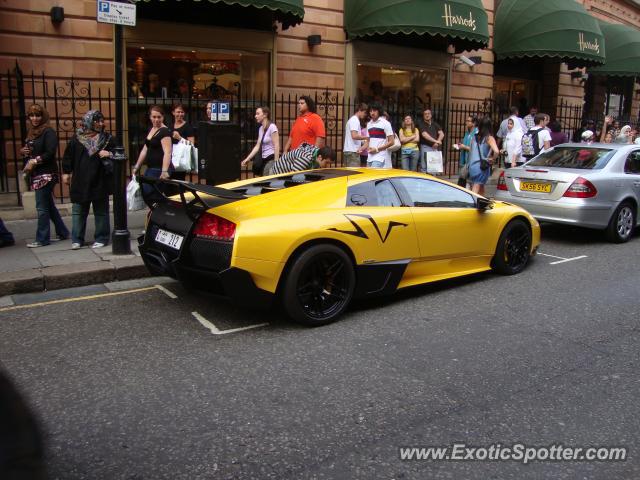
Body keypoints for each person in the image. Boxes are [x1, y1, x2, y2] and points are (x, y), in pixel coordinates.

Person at [62, 110, 115, 249]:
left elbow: (119, 154)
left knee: (101, 211)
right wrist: (66, 172)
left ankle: (102, 238)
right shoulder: (77, 138)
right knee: (78, 211)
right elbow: (68, 156)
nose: (101, 123)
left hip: (99, 178)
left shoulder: (107, 138)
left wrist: (109, 153)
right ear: (89, 122)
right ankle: (77, 239)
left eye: (102, 120)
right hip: (81, 179)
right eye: (97, 121)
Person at [20, 104, 69, 248]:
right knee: (49, 206)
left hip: (47, 174)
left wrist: (35, 160)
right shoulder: (32, 131)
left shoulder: (48, 132)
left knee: (42, 208)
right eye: (32, 115)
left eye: (38, 115)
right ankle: (62, 232)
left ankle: (42, 239)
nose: (35, 118)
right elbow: (31, 150)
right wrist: (25, 152)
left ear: (43, 116)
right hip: (36, 173)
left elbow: (50, 152)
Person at [132, 105, 172, 200]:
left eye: (159, 117)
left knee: (152, 195)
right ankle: (158, 212)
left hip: (159, 169)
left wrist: (164, 171)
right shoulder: (152, 129)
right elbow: (144, 150)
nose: (156, 119)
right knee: (148, 195)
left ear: (163, 117)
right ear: (150, 117)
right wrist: (137, 166)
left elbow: (168, 152)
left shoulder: (164, 131)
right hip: (151, 169)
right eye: (154, 117)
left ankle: (160, 212)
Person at [241, 106, 280, 177]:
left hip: (270, 158)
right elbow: (257, 146)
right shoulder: (260, 129)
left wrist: (276, 162)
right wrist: (248, 158)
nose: (255, 116)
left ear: (265, 115)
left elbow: (276, 145)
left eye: (258, 114)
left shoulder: (272, 127)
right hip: (263, 159)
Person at [468, 117, 499, 196]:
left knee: (481, 187)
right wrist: (493, 159)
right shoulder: (489, 138)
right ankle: (472, 204)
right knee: (477, 186)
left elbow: (470, 151)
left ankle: (481, 203)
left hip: (472, 165)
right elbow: (496, 151)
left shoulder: (474, 137)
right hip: (481, 166)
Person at [361, 103, 394, 168]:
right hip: (370, 157)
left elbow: (392, 141)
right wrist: (361, 148)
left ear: (379, 111)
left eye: (374, 110)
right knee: (370, 177)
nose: (372, 113)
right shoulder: (369, 124)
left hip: (380, 157)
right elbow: (368, 141)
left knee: (373, 177)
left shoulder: (385, 123)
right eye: (370, 111)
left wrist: (376, 149)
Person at [270, 143, 335, 175]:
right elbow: (294, 177)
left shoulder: (317, 153)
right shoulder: (305, 158)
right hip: (277, 174)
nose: (328, 166)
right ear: (320, 157)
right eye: (327, 163)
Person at [170, 103, 195, 182]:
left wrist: (179, 138)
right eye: (178, 112)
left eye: (182, 112)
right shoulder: (170, 126)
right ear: (173, 113)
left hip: (181, 160)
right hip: (170, 159)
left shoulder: (188, 127)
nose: (180, 114)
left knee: (178, 183)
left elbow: (191, 144)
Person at [417, 108, 444, 174]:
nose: (427, 115)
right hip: (425, 147)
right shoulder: (421, 124)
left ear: (431, 115)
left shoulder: (435, 124)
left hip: (434, 147)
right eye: (425, 114)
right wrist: (436, 141)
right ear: (423, 116)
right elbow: (425, 135)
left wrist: (437, 142)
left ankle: (433, 182)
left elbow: (442, 134)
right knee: (424, 167)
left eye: (428, 113)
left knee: (434, 167)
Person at [343, 103, 368, 167]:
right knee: (353, 174)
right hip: (352, 152)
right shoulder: (354, 120)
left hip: (350, 151)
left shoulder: (353, 120)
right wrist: (367, 137)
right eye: (364, 112)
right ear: (359, 110)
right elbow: (354, 135)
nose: (365, 115)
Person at [455, 116, 477, 186]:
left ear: (473, 123)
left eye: (468, 121)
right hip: (465, 161)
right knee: (463, 180)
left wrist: (464, 147)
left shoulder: (476, 133)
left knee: (465, 181)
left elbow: (476, 149)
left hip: (472, 161)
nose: (466, 122)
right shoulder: (467, 133)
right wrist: (461, 145)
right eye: (466, 120)